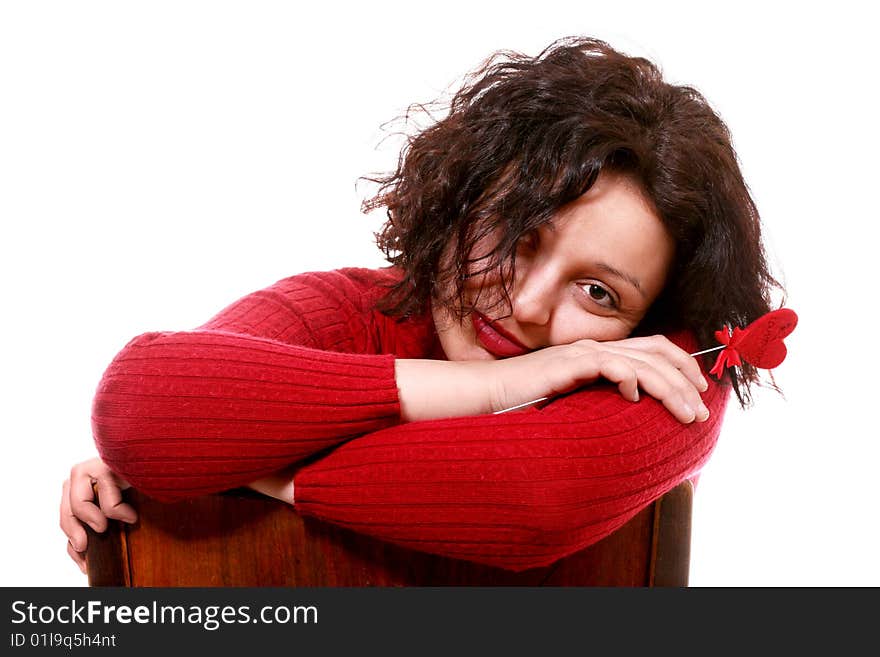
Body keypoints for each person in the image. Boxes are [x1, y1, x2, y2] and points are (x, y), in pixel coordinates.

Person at [60, 36, 782, 574]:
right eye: (516, 235)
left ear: (653, 318)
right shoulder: (342, 309)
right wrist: (496, 386)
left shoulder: (669, 372)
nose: (526, 304)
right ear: (460, 197)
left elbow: (533, 499)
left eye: (598, 292)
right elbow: (143, 407)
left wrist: (252, 469)